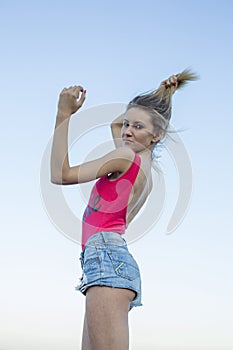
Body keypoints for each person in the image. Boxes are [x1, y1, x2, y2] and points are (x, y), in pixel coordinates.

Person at [50, 70, 197, 350]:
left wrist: (63, 114)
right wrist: (162, 94)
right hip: (106, 259)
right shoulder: (142, 166)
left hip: (105, 256)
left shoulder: (125, 157)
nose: (128, 130)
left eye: (138, 127)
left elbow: (60, 174)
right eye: (128, 123)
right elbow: (117, 127)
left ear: (157, 135)